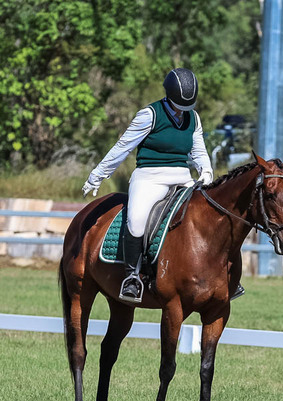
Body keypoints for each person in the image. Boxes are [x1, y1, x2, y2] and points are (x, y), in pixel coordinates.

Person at [82, 68, 213, 303]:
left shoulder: (193, 117)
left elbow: (198, 150)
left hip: (182, 176)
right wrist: (97, 175)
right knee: (136, 221)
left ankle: (217, 275)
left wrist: (206, 171)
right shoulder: (150, 115)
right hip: (149, 176)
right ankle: (132, 277)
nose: (183, 111)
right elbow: (123, 147)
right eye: (179, 106)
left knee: (208, 216)